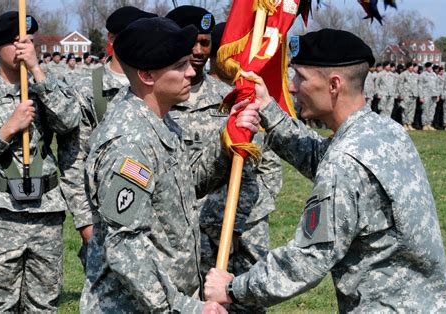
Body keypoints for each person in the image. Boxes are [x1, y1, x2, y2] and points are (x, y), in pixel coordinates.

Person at [204, 28, 446, 312]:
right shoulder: (384, 131)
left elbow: (307, 259)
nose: (293, 86)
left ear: (334, 85)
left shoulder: (346, 161)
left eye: (300, 77)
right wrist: (268, 110)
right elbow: (320, 157)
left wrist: (231, 288)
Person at [80, 17, 261, 313]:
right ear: (147, 76)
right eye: (179, 66)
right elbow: (125, 245)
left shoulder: (161, 122)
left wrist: (227, 142)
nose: (192, 72)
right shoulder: (130, 142)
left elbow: (187, 185)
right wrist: (184, 307)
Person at [166, 7, 282, 313]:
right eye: (193, 41)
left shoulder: (229, 98)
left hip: (232, 227)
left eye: (205, 43)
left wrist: (253, 212)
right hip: (179, 235)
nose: (199, 51)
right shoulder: (157, 102)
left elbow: (264, 159)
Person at [56, 6, 158, 268]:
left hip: (157, 217)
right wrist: (85, 223)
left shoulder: (157, 84)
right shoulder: (89, 88)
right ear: (113, 39)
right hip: (105, 218)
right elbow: (73, 159)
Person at [0, 11, 80, 311]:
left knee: (44, 304)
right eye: (16, 42)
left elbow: (69, 122)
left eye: (28, 41)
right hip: (2, 215)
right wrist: (7, 130)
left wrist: (38, 73)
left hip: (46, 213)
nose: (23, 48)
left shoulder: (46, 83)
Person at [397, 62, 419, 130]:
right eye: (411, 67)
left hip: (413, 94)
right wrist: (401, 94)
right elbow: (399, 85)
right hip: (406, 94)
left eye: (413, 67)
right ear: (407, 67)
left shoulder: (415, 75)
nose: (412, 68)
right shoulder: (403, 74)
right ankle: (404, 123)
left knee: (412, 110)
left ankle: (409, 123)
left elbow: (417, 85)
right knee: (405, 109)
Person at [419, 62, 439, 130]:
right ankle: (424, 124)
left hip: (433, 95)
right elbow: (420, 86)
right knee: (425, 109)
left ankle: (429, 123)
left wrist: (438, 95)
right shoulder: (423, 75)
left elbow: (437, 85)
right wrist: (421, 96)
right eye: (430, 67)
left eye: (431, 67)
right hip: (426, 95)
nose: (431, 68)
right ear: (427, 67)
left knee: (432, 110)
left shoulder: (434, 74)